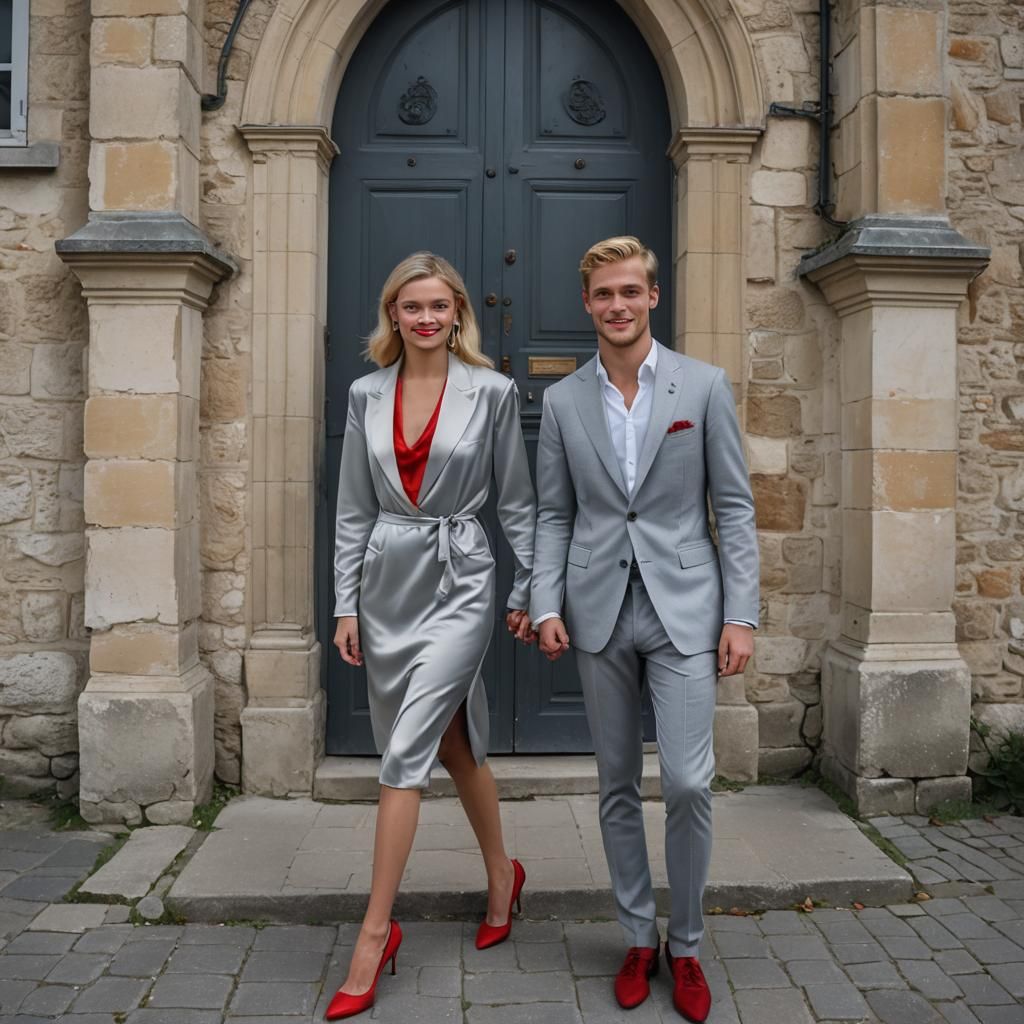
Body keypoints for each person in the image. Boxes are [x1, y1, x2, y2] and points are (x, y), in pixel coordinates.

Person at [529, 237, 758, 1022]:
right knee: (617, 783)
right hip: (596, 609)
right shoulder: (561, 403)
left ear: (652, 297)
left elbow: (733, 507)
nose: (617, 305)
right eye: (604, 294)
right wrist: (547, 601)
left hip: (686, 610)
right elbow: (555, 511)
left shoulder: (703, 386)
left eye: (630, 291)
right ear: (587, 303)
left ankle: (685, 945)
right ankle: (636, 933)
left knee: (690, 782)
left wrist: (740, 615)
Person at [327, 252, 536, 1020]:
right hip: (387, 581)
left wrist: (529, 585)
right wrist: (345, 605)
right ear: (392, 315)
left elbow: (517, 500)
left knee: (405, 752)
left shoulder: (493, 392)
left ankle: (374, 933)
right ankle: (501, 876)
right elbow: (352, 506)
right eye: (409, 307)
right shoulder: (364, 393)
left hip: (461, 578)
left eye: (437, 307)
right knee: (454, 739)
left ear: (457, 315)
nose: (424, 318)